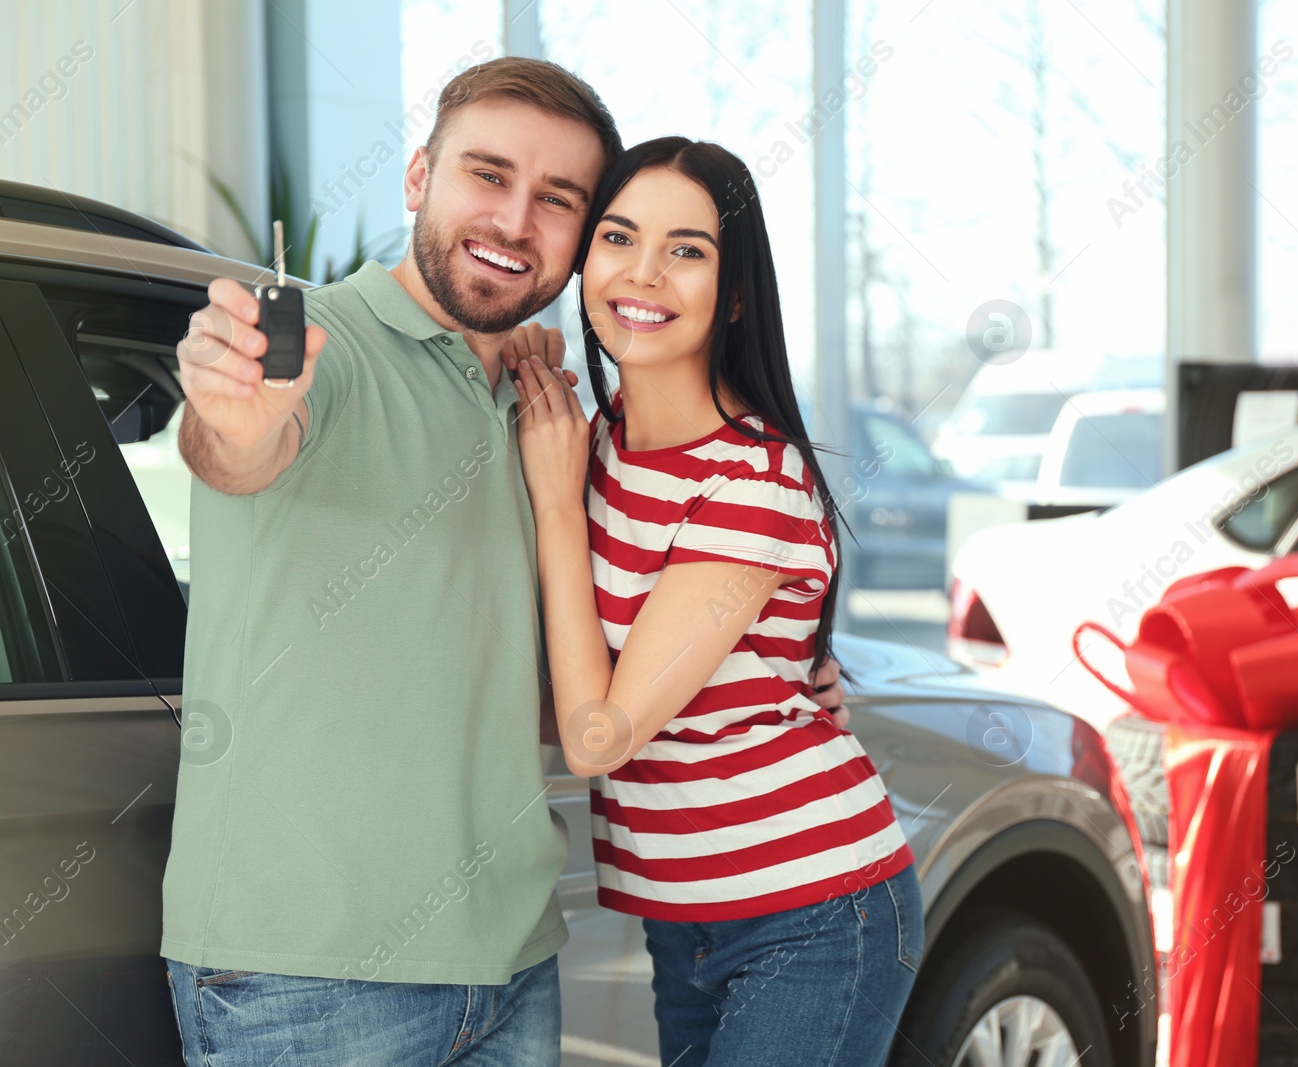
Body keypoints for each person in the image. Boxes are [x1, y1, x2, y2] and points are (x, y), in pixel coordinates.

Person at [163, 61, 850, 1065]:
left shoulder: (553, 416)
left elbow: (541, 694)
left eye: (558, 200)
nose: (515, 218)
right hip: (309, 981)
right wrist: (228, 419)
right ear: (416, 178)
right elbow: (236, 449)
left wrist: (760, 680)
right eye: (486, 175)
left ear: (581, 239)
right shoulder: (325, 348)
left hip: (513, 968)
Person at [507, 136, 922, 1067]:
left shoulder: (750, 484)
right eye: (618, 237)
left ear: (734, 292)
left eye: (686, 250)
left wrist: (552, 499)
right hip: (684, 912)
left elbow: (596, 737)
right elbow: (574, 690)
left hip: (815, 908)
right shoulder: (599, 440)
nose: (643, 273)